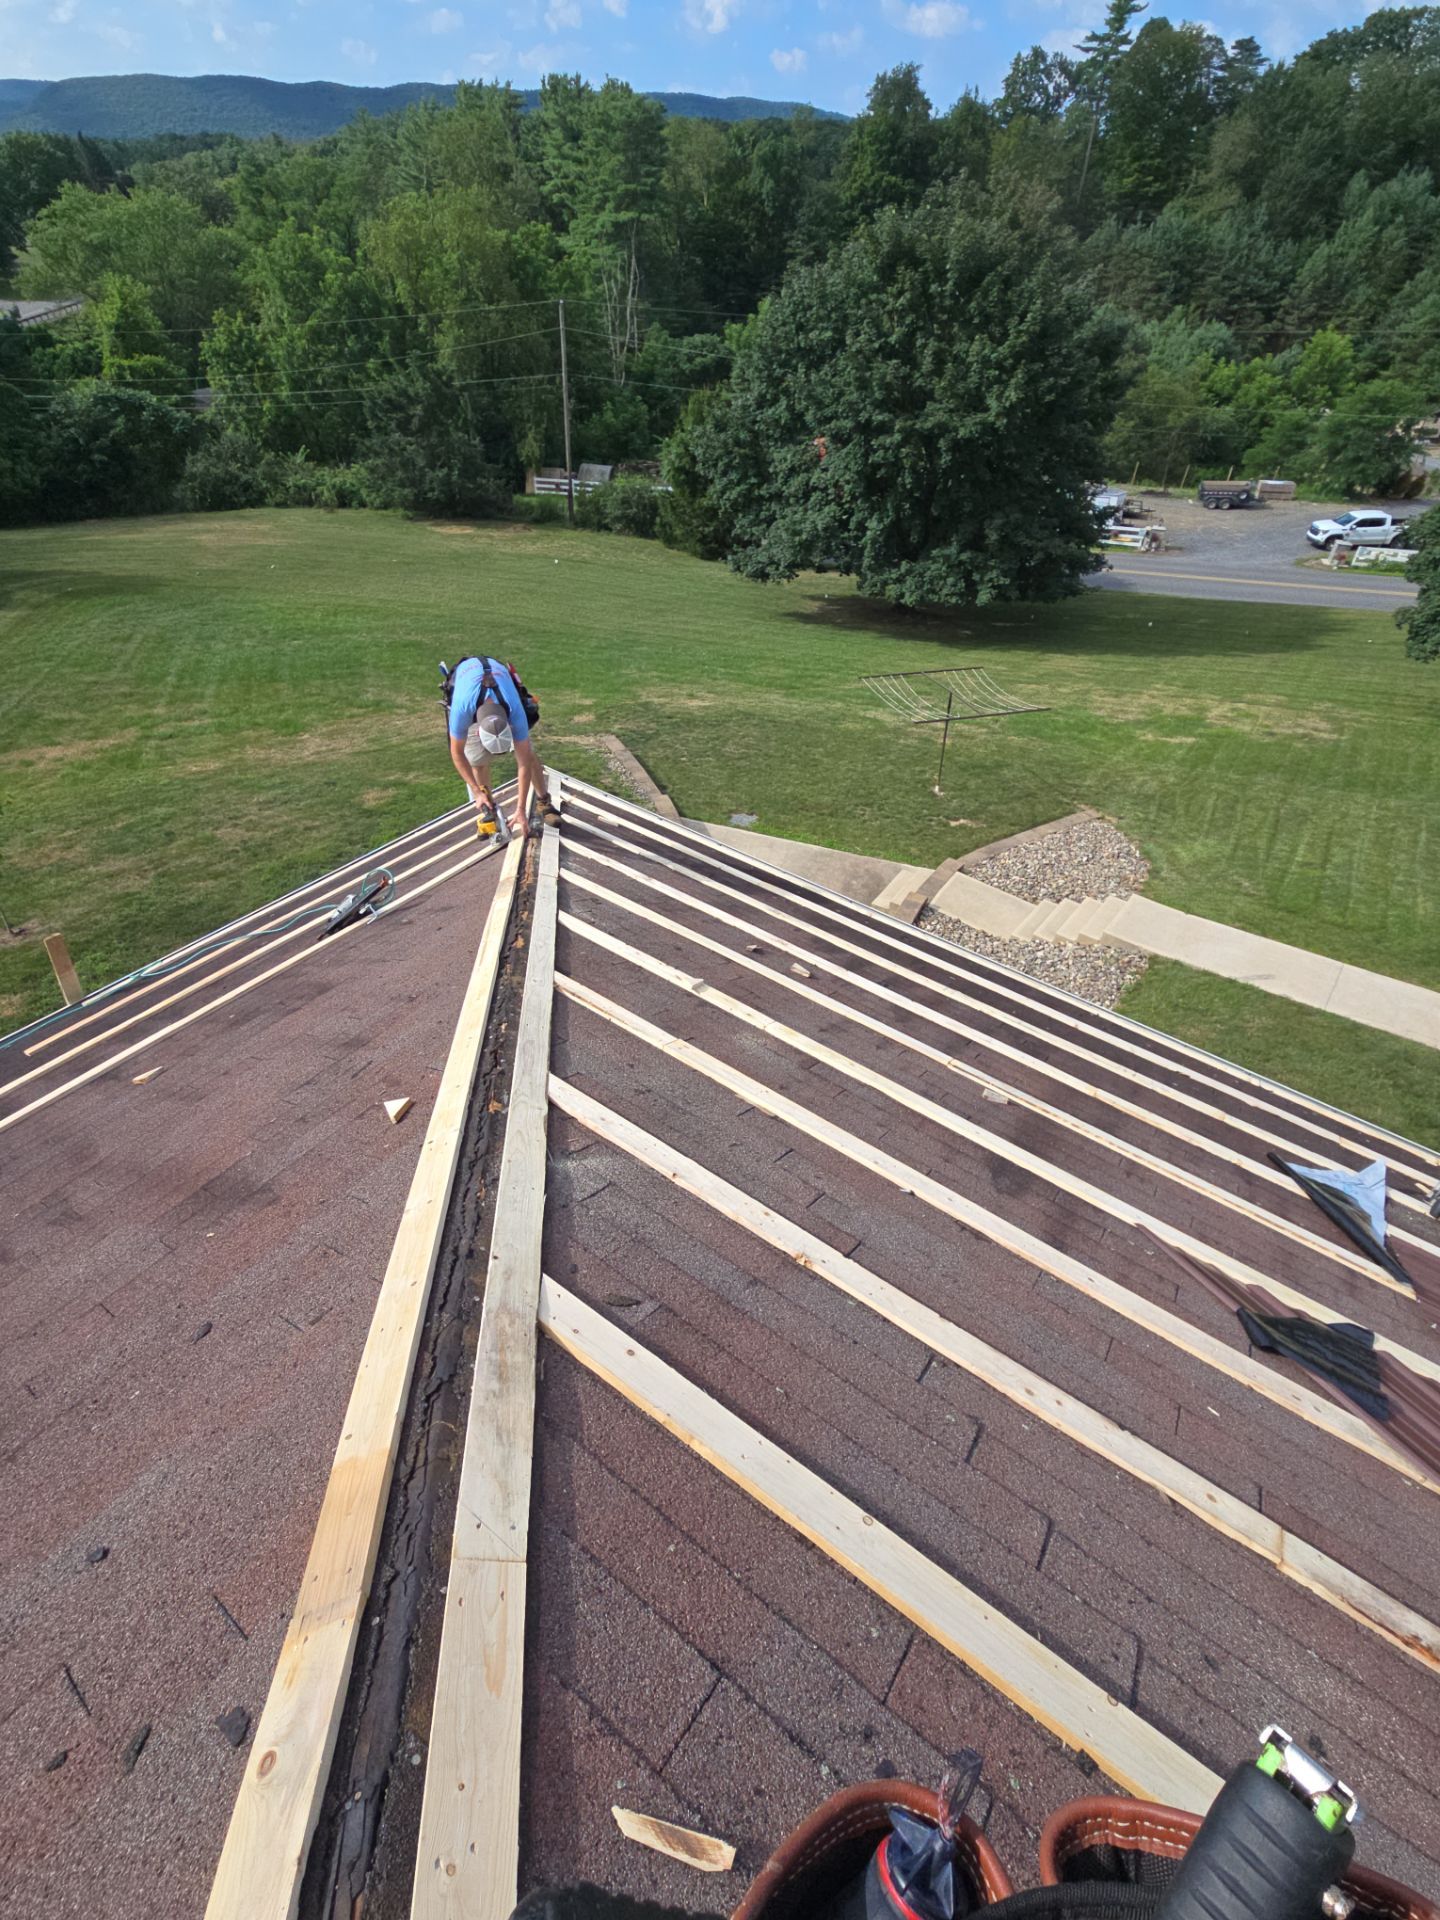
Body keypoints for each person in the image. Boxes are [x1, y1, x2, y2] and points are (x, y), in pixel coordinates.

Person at [445, 655, 560, 837]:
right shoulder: (462, 710)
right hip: (467, 679)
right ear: (477, 732)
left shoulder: (515, 712)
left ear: (510, 727)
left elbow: (523, 763)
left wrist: (520, 809)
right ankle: (488, 809)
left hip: (499, 680)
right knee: (477, 760)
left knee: (528, 755)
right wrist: (476, 791)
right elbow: (457, 753)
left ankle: (543, 801)